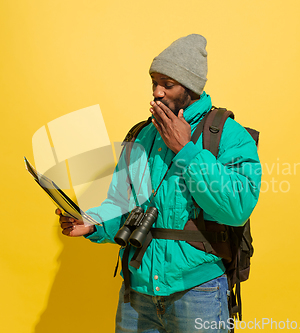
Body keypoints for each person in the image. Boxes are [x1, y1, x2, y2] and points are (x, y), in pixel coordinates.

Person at [56, 34, 262, 332]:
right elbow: (120, 202)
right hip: (137, 292)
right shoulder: (143, 135)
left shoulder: (229, 135)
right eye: (154, 82)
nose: (157, 92)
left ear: (191, 87)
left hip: (198, 291)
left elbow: (236, 208)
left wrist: (187, 150)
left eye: (168, 84)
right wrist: (93, 223)